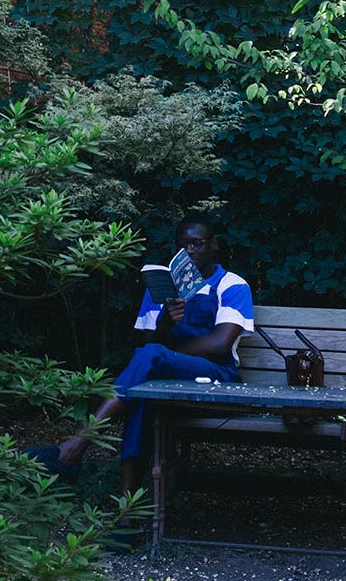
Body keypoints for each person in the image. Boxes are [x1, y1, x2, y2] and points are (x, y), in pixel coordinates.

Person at [27, 211, 253, 499]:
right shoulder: (163, 285)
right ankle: (126, 512)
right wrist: (165, 324)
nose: (191, 250)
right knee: (141, 396)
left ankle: (75, 447)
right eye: (184, 244)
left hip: (217, 378)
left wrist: (162, 354)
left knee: (150, 359)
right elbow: (147, 341)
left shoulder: (231, 284)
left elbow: (220, 344)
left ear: (214, 244)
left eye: (198, 243)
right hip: (166, 379)